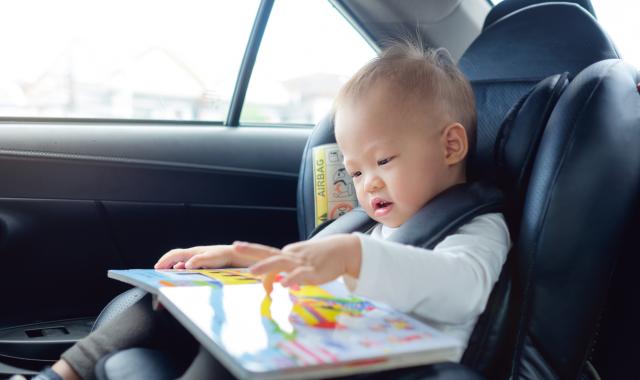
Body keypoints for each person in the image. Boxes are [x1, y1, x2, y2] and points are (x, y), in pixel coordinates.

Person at [19, 41, 510, 380]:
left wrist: (353, 255)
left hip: (385, 366)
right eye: (357, 172)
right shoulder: (374, 228)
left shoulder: (476, 227)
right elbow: (318, 274)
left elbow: (461, 289)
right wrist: (239, 262)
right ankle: (62, 371)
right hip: (322, 338)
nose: (369, 183)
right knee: (171, 301)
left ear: (450, 146)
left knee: (235, 347)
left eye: (383, 160)